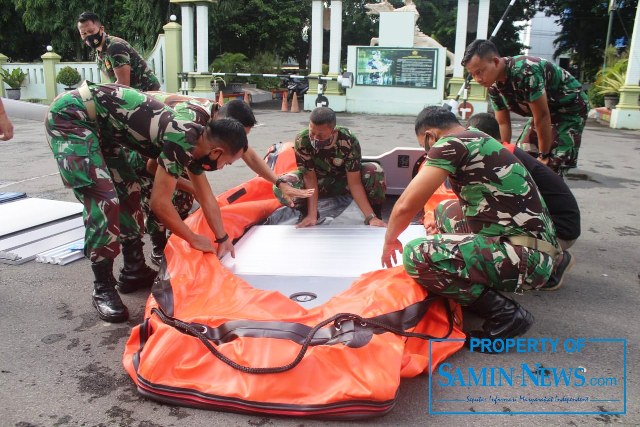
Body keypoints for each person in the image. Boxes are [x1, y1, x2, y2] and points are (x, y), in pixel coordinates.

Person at [46, 82, 248, 323]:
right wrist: (193, 238)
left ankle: (133, 269)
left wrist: (223, 238)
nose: (223, 167)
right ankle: (102, 287)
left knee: (129, 193)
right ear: (215, 152)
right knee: (106, 201)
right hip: (72, 117)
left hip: (104, 130)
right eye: (227, 162)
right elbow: (159, 204)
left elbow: (205, 196)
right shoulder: (184, 137)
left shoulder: (198, 142)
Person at [381, 106, 560, 346]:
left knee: (416, 254)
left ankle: (505, 313)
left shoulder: (449, 144)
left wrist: (390, 240)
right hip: (537, 249)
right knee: (445, 212)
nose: (428, 151)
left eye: (426, 146)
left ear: (430, 136)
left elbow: (406, 204)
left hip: (526, 259)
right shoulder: (476, 136)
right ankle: (473, 277)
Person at [140, 96, 312, 264]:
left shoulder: (218, 122)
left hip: (170, 147)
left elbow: (249, 155)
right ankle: (157, 249)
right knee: (161, 198)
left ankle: (177, 238)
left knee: (188, 194)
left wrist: (279, 182)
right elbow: (152, 167)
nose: (225, 165)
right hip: (137, 148)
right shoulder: (191, 125)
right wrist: (194, 191)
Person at [461, 39, 589, 175]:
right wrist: (501, 155)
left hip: (569, 110)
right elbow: (503, 123)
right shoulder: (493, 85)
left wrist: (544, 155)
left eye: (480, 72)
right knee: (521, 158)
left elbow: (543, 116)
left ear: (496, 62)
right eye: (473, 74)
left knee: (550, 166)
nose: (477, 79)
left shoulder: (525, 71)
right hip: (543, 113)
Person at [274, 107, 386, 228]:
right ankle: (308, 215)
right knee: (281, 185)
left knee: (374, 170)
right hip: (318, 182)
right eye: (312, 132)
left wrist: (371, 217)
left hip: (343, 182)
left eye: (321, 135)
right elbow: (309, 178)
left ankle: (375, 215)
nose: (315, 138)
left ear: (334, 132)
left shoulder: (348, 140)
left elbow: (354, 182)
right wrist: (312, 214)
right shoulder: (302, 140)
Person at [77, 11, 160, 91]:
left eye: (91, 31)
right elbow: (114, 83)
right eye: (83, 34)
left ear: (101, 29)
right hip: (134, 96)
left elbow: (123, 85)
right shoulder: (100, 54)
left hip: (148, 95)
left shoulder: (115, 47)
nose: (88, 36)